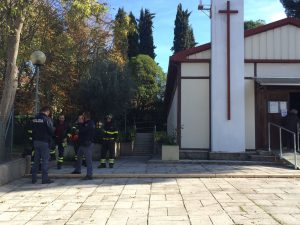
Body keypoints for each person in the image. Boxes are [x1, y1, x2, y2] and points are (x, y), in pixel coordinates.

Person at [31, 106, 55, 184]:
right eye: (48, 113)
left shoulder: (35, 118)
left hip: (36, 141)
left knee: (36, 160)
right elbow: (51, 131)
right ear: (46, 112)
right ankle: (45, 179)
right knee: (45, 161)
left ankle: (33, 178)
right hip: (44, 142)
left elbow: (32, 129)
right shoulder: (46, 119)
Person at [72, 111, 95, 180]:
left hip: (87, 144)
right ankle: (78, 170)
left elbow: (82, 130)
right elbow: (78, 130)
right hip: (82, 144)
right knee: (79, 157)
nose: (82, 118)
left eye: (83, 116)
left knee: (88, 160)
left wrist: (80, 124)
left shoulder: (90, 123)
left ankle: (89, 175)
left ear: (86, 116)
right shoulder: (85, 123)